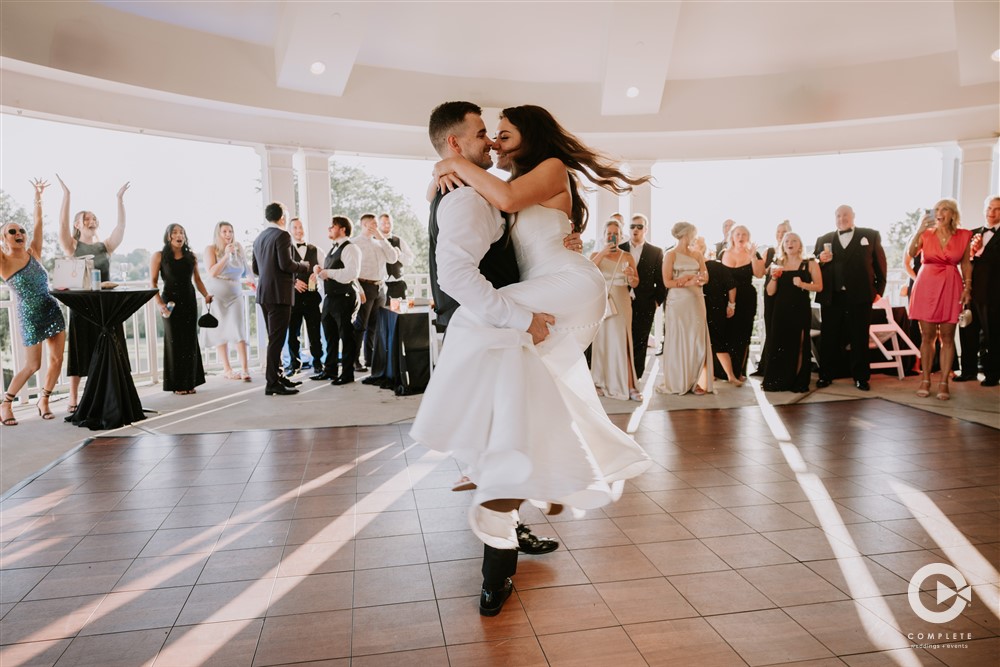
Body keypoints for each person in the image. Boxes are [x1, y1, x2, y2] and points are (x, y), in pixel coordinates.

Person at [412, 102, 651, 617]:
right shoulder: (489, 185)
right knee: (524, 408)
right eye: (486, 135)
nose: (495, 143)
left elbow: (506, 197)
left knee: (474, 327)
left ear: (530, 135)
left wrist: (449, 163)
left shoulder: (543, 171)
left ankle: (461, 437)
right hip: (550, 296)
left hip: (567, 288)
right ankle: (513, 474)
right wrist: (445, 165)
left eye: (502, 134)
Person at [56, 176, 129, 413]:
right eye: (86, 218)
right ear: (77, 224)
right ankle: (74, 397)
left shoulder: (104, 246)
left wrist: (119, 200)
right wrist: (67, 196)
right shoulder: (71, 246)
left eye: (93, 217)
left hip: (106, 306)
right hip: (83, 306)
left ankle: (109, 392)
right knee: (80, 350)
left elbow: (120, 228)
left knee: (110, 347)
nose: (91, 220)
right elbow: (61, 225)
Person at [0, 179, 66, 425]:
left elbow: (38, 223)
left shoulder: (33, 252)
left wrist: (38, 198)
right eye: (12, 232)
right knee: (33, 365)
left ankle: (44, 399)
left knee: (58, 359)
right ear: (4, 239)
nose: (19, 234)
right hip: (28, 314)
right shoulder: (4, 263)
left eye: (21, 231)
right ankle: (6, 403)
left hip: (51, 308)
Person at [814, 204, 887, 391]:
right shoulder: (823, 239)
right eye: (838, 215)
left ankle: (861, 377)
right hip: (832, 297)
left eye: (845, 215)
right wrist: (819, 260)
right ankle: (826, 375)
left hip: (860, 296)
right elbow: (814, 268)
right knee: (829, 337)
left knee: (859, 338)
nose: (841, 218)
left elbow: (880, 266)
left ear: (853, 216)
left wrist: (878, 291)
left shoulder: (870, 235)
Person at [907, 199, 972, 400]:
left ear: (953, 214)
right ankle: (925, 379)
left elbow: (966, 263)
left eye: (944, 209)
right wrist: (918, 230)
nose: (939, 213)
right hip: (926, 285)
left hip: (952, 286)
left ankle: (944, 381)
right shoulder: (926, 234)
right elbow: (911, 253)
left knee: (947, 336)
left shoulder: (964, 235)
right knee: (927, 336)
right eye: (937, 210)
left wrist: (968, 286)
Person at [252, 202, 310, 396]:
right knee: (277, 340)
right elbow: (286, 264)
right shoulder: (282, 235)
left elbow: (255, 269)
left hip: (264, 294)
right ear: (283, 218)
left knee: (274, 338)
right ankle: (272, 384)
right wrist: (303, 266)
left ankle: (277, 376)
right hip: (279, 294)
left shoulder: (259, 238)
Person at [150, 224, 212, 395]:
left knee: (189, 341)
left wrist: (206, 295)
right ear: (168, 236)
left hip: (189, 301)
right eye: (175, 232)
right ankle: (177, 384)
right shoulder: (159, 256)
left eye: (182, 233)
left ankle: (190, 382)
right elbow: (153, 283)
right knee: (174, 342)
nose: (179, 235)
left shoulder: (191, 256)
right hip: (170, 304)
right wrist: (160, 303)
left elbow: (198, 280)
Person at [656, 222, 713, 395]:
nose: (694, 237)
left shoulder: (697, 254)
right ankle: (679, 381)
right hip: (678, 302)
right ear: (686, 234)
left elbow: (706, 276)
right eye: (693, 234)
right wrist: (687, 279)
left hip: (696, 299)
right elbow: (667, 282)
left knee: (697, 339)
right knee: (679, 339)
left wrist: (700, 280)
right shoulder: (670, 255)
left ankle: (696, 381)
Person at [762, 232, 822, 392]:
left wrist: (803, 284)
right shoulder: (777, 263)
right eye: (787, 241)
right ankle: (780, 380)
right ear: (782, 245)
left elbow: (819, 286)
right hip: (781, 310)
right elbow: (770, 292)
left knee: (800, 344)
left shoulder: (809, 263)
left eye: (794, 240)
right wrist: (773, 278)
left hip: (800, 309)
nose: (790, 243)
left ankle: (797, 381)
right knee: (780, 344)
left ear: (800, 244)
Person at [591, 219, 641, 401]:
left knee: (622, 341)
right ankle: (599, 381)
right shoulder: (597, 255)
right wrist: (603, 253)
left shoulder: (627, 257)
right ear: (604, 235)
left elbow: (635, 282)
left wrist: (631, 277)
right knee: (603, 341)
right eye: (609, 233)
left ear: (621, 236)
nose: (612, 237)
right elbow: (588, 273)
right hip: (603, 302)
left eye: (615, 234)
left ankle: (629, 385)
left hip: (621, 302)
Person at [311, 215, 362, 385]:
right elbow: (331, 274)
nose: (329, 229)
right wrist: (320, 272)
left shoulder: (351, 248)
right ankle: (330, 370)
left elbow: (351, 273)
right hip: (330, 298)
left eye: (332, 226)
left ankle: (347, 374)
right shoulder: (333, 249)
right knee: (330, 336)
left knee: (346, 336)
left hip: (345, 297)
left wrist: (328, 273)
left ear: (343, 229)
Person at [957, 195, 1000, 387]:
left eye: (997, 209)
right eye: (989, 208)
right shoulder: (971, 234)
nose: (992, 213)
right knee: (967, 332)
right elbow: (962, 262)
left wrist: (981, 251)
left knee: (993, 336)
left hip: (994, 295)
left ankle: (992, 374)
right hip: (970, 293)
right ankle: (968, 371)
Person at [201, 221, 251, 381]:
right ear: (218, 233)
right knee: (219, 330)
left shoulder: (238, 248)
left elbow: (246, 268)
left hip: (235, 293)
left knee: (238, 328)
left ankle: (245, 369)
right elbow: (212, 272)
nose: (228, 234)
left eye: (230, 231)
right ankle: (227, 369)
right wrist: (226, 256)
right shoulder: (211, 249)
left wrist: (252, 280)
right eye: (224, 231)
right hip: (216, 294)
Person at [351, 213, 400, 372]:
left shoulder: (380, 243)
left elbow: (393, 258)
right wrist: (358, 290)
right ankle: (354, 360)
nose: (376, 226)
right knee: (360, 325)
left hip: (380, 287)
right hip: (365, 286)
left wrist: (380, 237)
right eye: (373, 224)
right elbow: (352, 270)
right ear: (364, 225)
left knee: (374, 325)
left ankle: (370, 359)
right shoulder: (355, 243)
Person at [621, 213, 665, 380]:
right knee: (623, 339)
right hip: (622, 302)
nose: (635, 230)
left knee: (641, 340)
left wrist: (656, 302)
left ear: (645, 229)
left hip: (645, 303)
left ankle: (636, 376)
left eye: (640, 227)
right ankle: (622, 375)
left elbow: (661, 282)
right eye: (632, 226)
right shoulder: (621, 249)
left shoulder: (655, 252)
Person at [719, 224, 764, 382]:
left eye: (744, 234)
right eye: (738, 234)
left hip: (746, 298)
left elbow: (759, 274)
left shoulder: (754, 253)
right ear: (732, 237)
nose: (741, 237)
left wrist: (753, 257)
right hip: (727, 299)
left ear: (748, 237)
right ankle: (724, 372)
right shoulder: (724, 253)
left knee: (743, 335)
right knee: (727, 333)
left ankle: (739, 372)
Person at [286, 217, 324, 374]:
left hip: (312, 298)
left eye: (301, 227)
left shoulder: (316, 250)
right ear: (290, 231)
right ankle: (295, 364)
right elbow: (282, 272)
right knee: (293, 334)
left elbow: (325, 270)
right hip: (293, 299)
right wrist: (294, 282)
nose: (298, 230)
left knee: (315, 333)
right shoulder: (286, 250)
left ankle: (317, 363)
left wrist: (318, 275)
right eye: (295, 228)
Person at [755, 220, 792, 377]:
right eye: (778, 232)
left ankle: (782, 366)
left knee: (783, 329)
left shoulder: (793, 251)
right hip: (770, 293)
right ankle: (767, 365)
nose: (780, 235)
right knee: (770, 328)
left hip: (786, 294)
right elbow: (760, 272)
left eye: (783, 232)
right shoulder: (769, 251)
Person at [379, 213, 415, 301]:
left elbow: (410, 261)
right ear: (378, 224)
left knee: (401, 314)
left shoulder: (399, 240)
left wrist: (400, 255)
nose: (387, 225)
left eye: (389, 223)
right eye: (384, 223)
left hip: (398, 284)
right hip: (380, 285)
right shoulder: (374, 241)